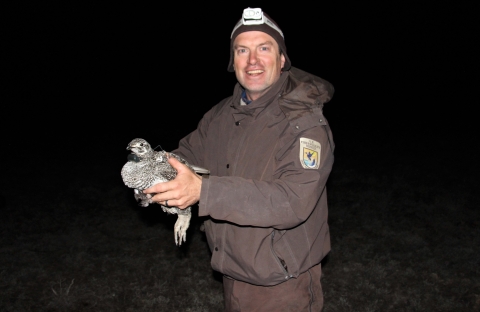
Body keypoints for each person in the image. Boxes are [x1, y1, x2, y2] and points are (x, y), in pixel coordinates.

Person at [144, 7, 335, 311]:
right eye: (242, 50)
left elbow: (293, 200)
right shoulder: (221, 115)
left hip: (282, 284)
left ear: (282, 59)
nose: (253, 60)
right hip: (233, 271)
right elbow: (188, 155)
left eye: (264, 48)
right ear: (233, 61)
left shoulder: (304, 124)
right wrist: (153, 172)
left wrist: (204, 192)